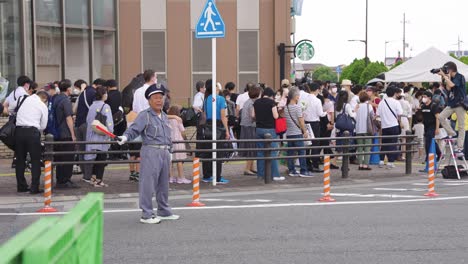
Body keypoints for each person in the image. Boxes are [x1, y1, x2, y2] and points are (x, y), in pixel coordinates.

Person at [117, 84, 180, 224]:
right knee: (148, 183)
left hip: (164, 151)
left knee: (164, 183)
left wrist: (170, 150)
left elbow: (167, 135)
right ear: (149, 101)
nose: (159, 100)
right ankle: (147, 214)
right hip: (151, 150)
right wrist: (126, 137)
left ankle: (163, 211)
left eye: (161, 97)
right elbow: (134, 129)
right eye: (155, 98)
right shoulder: (144, 115)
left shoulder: (163, 115)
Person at [14, 83, 48, 194]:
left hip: (18, 131)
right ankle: (34, 187)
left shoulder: (25, 100)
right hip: (32, 132)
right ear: (44, 99)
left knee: (20, 160)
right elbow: (43, 125)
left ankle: (21, 186)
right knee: (35, 160)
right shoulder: (42, 105)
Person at [199, 79, 230, 184]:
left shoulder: (207, 99)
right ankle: (217, 177)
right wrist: (226, 130)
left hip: (208, 125)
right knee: (218, 152)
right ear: (215, 88)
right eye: (217, 85)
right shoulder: (221, 99)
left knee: (208, 151)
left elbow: (204, 114)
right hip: (218, 126)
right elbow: (223, 116)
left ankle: (207, 175)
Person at [83, 86, 113, 187]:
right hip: (102, 136)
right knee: (101, 160)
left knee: (95, 160)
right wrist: (111, 133)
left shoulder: (92, 106)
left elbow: (88, 120)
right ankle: (98, 180)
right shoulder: (105, 106)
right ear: (104, 95)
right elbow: (109, 123)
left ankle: (93, 179)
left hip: (92, 135)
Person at [54, 79, 79, 188]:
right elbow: (69, 118)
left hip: (56, 133)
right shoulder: (65, 100)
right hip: (65, 133)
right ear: (68, 89)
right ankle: (66, 180)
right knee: (68, 157)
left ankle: (60, 179)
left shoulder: (55, 98)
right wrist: (73, 134)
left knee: (59, 158)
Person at [253, 87, 282, 180]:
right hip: (270, 130)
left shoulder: (256, 102)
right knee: (272, 152)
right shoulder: (271, 103)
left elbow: (253, 115)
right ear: (271, 95)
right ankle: (275, 175)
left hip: (259, 129)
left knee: (260, 152)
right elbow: (276, 116)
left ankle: (260, 175)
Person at [438, 61, 467, 154]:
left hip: (460, 104)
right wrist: (446, 77)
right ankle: (452, 133)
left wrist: (445, 75)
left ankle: (459, 147)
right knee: (441, 117)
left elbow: (452, 85)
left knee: (461, 126)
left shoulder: (460, 77)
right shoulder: (451, 77)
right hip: (452, 103)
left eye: (446, 70)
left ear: (450, 69)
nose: (445, 71)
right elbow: (448, 88)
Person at [284, 87, 313, 177]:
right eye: (298, 95)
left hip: (289, 133)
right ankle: (303, 170)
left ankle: (291, 170)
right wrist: (305, 131)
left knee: (291, 153)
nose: (299, 97)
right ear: (295, 96)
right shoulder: (297, 107)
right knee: (301, 152)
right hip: (297, 133)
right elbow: (301, 121)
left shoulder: (286, 108)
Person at [376, 86, 403, 170]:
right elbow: (400, 113)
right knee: (393, 144)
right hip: (393, 125)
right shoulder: (396, 102)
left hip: (384, 126)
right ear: (394, 93)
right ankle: (390, 162)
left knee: (384, 143)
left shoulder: (381, 102)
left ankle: (381, 160)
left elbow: (378, 114)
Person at [303, 82, 326, 172]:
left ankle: (307, 164)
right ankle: (315, 165)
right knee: (315, 144)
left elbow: (302, 110)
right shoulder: (317, 100)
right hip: (315, 123)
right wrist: (325, 113)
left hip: (306, 122)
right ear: (316, 90)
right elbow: (320, 113)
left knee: (307, 144)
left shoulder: (305, 99)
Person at [239, 85, 260, 176]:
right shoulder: (252, 103)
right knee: (251, 147)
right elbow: (252, 115)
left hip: (244, 126)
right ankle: (247, 169)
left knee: (250, 147)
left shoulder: (247, 101)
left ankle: (251, 167)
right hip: (250, 126)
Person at [167, 105, 190, 184]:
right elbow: (182, 131)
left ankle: (171, 177)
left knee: (170, 161)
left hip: (169, 141)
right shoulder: (178, 120)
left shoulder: (167, 120)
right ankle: (181, 178)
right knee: (179, 160)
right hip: (178, 141)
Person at [105, 79, 126, 160]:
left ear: (108, 87)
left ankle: (113, 155)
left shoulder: (107, 96)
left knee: (112, 136)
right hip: (121, 119)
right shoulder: (121, 94)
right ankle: (122, 154)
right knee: (122, 136)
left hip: (111, 120)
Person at [354, 91, 374, 170]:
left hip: (358, 129)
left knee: (359, 148)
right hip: (367, 129)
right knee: (367, 148)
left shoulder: (357, 106)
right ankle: (366, 164)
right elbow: (372, 117)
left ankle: (360, 164)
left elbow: (354, 116)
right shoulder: (369, 106)